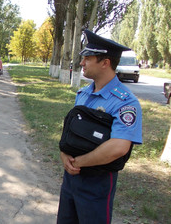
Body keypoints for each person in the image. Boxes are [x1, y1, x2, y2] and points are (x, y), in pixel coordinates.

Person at [57, 30, 142, 224]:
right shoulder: (84, 93)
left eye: (87, 58)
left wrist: (79, 162)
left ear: (105, 63)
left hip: (97, 182)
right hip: (71, 178)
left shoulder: (126, 103)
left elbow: (119, 147)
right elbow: (71, 132)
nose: (81, 63)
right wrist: (64, 155)